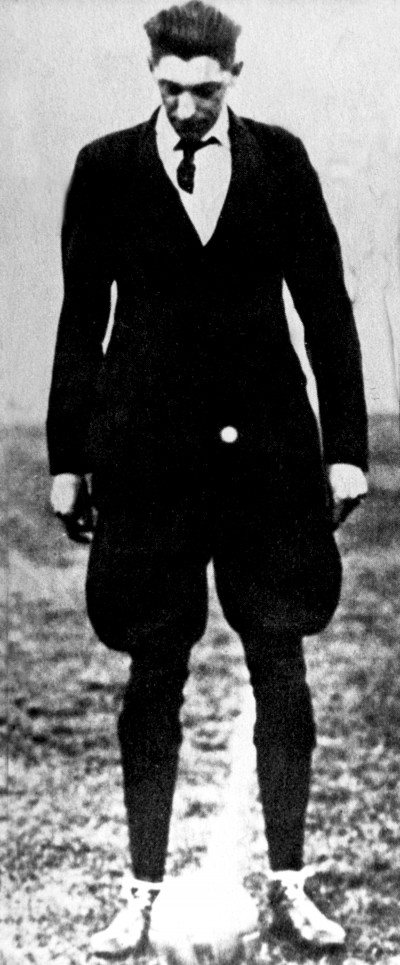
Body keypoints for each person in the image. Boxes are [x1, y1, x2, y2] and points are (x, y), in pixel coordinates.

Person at [47, 1, 368, 957]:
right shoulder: (105, 169)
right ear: (151, 75)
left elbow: (327, 306)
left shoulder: (282, 161)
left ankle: (289, 885)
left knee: (282, 662)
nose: (187, 107)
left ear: (236, 72)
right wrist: (69, 459)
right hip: (146, 459)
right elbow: (78, 321)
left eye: (206, 89)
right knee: (154, 674)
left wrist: (344, 446)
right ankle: (141, 892)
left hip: (268, 456)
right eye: (170, 89)